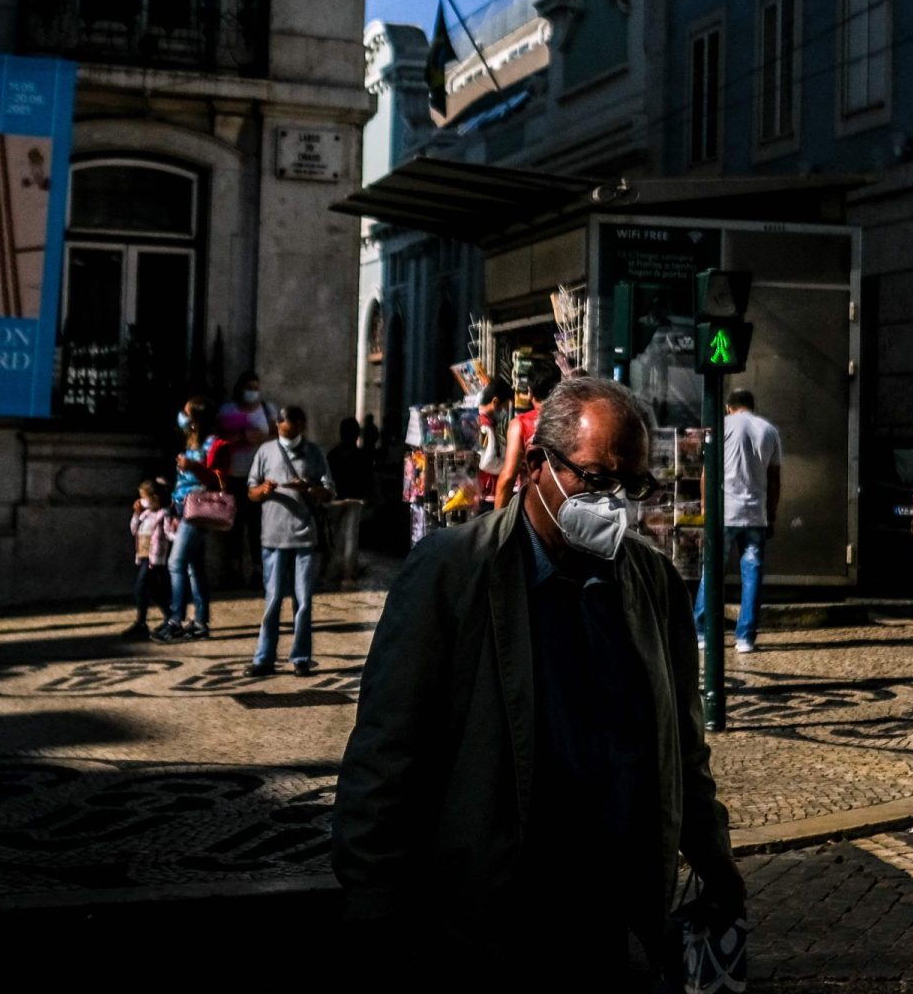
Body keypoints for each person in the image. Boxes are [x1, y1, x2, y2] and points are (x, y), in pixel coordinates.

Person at [333, 376, 743, 984]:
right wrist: (376, 910)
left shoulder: (652, 584)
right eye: (596, 480)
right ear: (534, 465)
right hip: (487, 919)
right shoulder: (453, 572)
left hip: (606, 921)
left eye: (631, 487)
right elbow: (386, 755)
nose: (615, 504)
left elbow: (682, 745)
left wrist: (716, 862)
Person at [245, 405, 335, 677]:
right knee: (272, 600)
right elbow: (251, 491)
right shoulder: (265, 451)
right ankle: (264, 657)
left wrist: (307, 487)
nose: (289, 435)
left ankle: (301, 657)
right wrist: (263, 490)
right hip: (272, 535)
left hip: (304, 535)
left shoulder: (314, 452)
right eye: (284, 430)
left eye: (294, 430)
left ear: (301, 426)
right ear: (278, 425)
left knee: (303, 601)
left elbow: (329, 491)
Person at [697, 387, 782, 654]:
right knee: (752, 575)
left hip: (723, 512)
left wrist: (704, 508)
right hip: (755, 513)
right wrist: (771, 514)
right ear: (751, 405)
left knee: (712, 572)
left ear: (729, 407)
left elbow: (706, 473)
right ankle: (745, 638)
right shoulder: (769, 431)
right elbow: (774, 479)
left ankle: (702, 632)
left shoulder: (721, 427)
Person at [161, 399, 224, 640]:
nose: (183, 417)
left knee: (175, 563)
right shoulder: (189, 443)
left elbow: (217, 478)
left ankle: (175, 619)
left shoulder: (211, 443)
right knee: (194, 567)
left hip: (197, 508)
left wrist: (194, 467)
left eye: (187, 413)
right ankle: (200, 621)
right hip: (181, 505)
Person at [218, 371, 279, 578]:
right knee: (233, 524)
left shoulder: (267, 410)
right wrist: (239, 438)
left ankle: (257, 568)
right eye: (249, 388)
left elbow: (276, 435)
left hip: (259, 476)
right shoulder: (228, 410)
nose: (252, 392)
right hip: (233, 474)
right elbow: (218, 438)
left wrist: (259, 438)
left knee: (257, 525)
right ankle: (233, 569)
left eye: (256, 388)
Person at [492, 362, 559, 510]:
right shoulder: (570, 420)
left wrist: (497, 523)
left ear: (529, 392)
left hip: (533, 508)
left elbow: (508, 476)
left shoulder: (520, 425)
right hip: (564, 505)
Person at [325, 417, 373, 587]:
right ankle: (347, 574)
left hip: (337, 500)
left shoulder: (333, 454)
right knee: (350, 538)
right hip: (354, 500)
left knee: (336, 537)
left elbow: (328, 477)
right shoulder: (361, 454)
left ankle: (336, 570)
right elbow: (368, 478)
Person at [125, 480, 176, 641]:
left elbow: (169, 534)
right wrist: (136, 513)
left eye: (144, 497)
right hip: (143, 555)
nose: (142, 501)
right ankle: (170, 617)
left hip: (155, 558)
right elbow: (134, 529)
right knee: (154, 591)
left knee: (141, 587)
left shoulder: (164, 514)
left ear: (155, 498)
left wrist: (176, 530)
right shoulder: (146, 514)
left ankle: (141, 622)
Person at [474, 378, 513, 511]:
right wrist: (511, 466)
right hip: (488, 494)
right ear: (495, 402)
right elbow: (487, 462)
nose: (504, 412)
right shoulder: (486, 426)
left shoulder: (480, 420)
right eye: (504, 408)